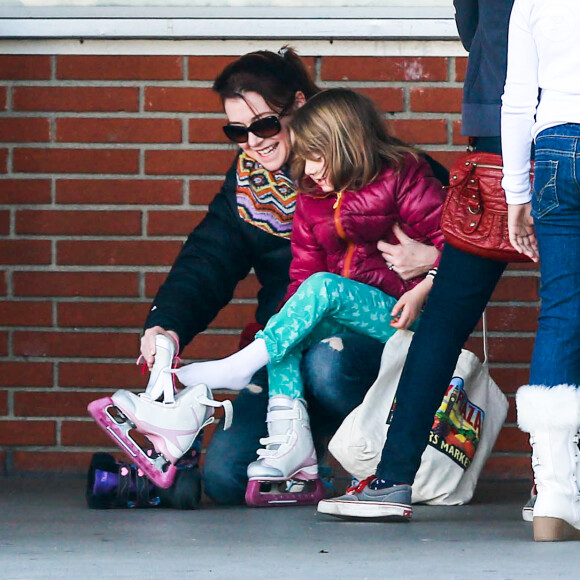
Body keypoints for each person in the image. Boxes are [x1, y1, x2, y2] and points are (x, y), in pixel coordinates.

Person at [119, 48, 440, 505]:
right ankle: (299, 456)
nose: (253, 142)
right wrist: (166, 321)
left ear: (300, 106)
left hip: (379, 333)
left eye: (265, 124)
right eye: (237, 131)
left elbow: (462, 231)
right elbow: (209, 256)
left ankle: (379, 464)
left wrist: (430, 260)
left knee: (329, 364)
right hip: (300, 336)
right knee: (229, 478)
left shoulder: (384, 164)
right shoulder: (263, 186)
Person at [317, 0, 518, 522]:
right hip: (569, 121)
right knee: (568, 308)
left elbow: (470, 20)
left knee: (445, 320)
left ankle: (393, 479)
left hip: (498, 117)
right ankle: (558, 487)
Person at [502, 0, 580, 542]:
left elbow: (515, 99)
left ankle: (554, 499)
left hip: (556, 146)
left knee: (560, 313)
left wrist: (515, 193)